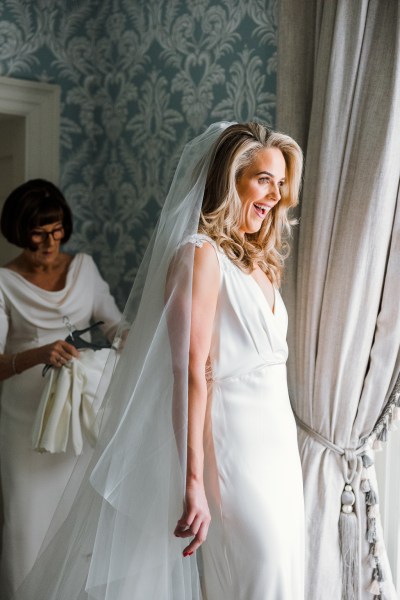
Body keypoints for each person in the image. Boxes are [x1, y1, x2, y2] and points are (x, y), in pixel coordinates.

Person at [13, 122, 304, 600]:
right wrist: (193, 481)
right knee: (262, 577)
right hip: (235, 454)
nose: (275, 194)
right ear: (229, 181)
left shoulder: (258, 262)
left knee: (285, 574)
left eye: (280, 182)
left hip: (280, 451)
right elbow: (190, 373)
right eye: (263, 179)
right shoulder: (198, 256)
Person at [0, 179, 122, 599]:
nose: (49, 242)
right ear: (18, 230)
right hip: (25, 425)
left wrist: (135, 339)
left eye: (56, 231)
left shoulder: (83, 268)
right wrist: (38, 354)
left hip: (78, 415)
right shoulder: (3, 282)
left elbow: (112, 322)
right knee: (27, 526)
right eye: (38, 233)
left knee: (77, 519)